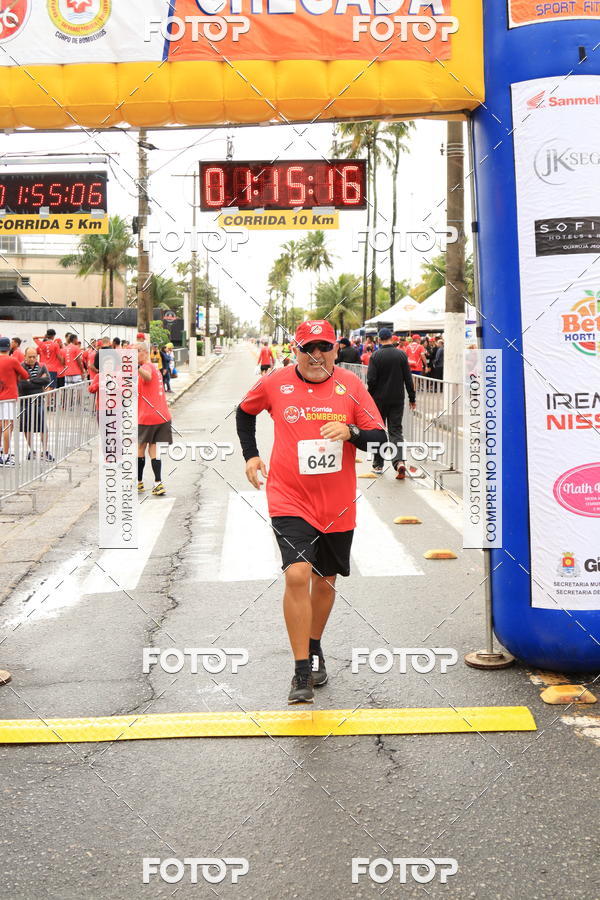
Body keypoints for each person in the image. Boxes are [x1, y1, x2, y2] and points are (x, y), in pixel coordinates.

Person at [236, 320, 387, 704]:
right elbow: (244, 412)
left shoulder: (351, 387)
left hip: (336, 502)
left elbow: (380, 439)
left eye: (324, 347)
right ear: (295, 350)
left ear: (336, 349)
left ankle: (314, 643)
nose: (316, 355)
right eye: (308, 348)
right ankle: (301, 668)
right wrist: (251, 455)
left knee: (325, 580)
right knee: (297, 574)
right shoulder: (275, 382)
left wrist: (350, 432)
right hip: (289, 497)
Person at [367, 328, 416, 479]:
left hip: (379, 400)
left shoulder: (375, 356)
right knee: (396, 431)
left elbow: (371, 380)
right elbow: (408, 378)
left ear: (379, 339)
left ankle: (378, 465)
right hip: (397, 399)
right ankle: (399, 461)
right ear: (391, 339)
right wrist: (412, 398)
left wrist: (369, 397)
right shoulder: (401, 354)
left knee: (379, 430)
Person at [136, 342, 173, 496]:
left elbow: (147, 376)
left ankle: (139, 482)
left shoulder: (146, 367)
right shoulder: (154, 367)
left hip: (148, 416)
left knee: (140, 448)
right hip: (161, 415)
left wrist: (136, 367)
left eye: (135, 352)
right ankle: (158, 483)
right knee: (154, 448)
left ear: (143, 352)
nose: (133, 356)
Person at [19, 347, 53, 461]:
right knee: (27, 427)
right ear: (25, 357)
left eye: (34, 356)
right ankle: (32, 450)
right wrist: (37, 381)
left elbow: (47, 380)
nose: (33, 359)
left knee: (43, 427)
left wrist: (31, 380)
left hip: (39, 401)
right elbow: (21, 384)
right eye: (30, 357)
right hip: (25, 401)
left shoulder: (42, 366)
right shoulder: (20, 366)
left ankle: (45, 451)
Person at [0, 336, 29, 466]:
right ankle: (6, 456)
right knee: (7, 425)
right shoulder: (12, 360)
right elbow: (25, 375)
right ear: (9, 347)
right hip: (8, 396)